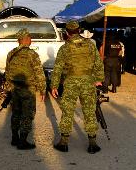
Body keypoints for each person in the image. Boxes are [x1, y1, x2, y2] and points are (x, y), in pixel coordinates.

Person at [51, 21, 104, 154]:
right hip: (88, 82)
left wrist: (54, 85)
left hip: (71, 82)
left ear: (67, 33)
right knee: (89, 112)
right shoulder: (90, 45)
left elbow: (57, 68)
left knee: (68, 111)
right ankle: (92, 144)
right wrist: (98, 80)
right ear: (79, 30)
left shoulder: (64, 48)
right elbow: (98, 64)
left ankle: (63, 143)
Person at [5, 28, 46, 150]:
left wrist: (9, 86)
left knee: (16, 113)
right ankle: (22, 141)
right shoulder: (32, 54)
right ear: (25, 39)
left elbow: (7, 71)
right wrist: (43, 89)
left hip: (14, 88)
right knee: (27, 114)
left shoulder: (11, 53)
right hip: (27, 89)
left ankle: (14, 138)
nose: (31, 40)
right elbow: (39, 73)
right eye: (29, 37)